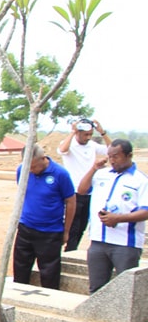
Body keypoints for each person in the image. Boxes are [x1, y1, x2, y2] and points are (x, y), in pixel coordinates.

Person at [76, 139, 148, 293]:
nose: (112, 160)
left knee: (126, 292)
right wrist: (94, 168)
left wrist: (118, 218)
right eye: (110, 156)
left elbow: (145, 211)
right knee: (96, 289)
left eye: (116, 156)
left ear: (129, 155)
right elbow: (81, 190)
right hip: (98, 241)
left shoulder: (140, 180)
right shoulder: (101, 175)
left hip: (124, 244)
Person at [13, 144, 76, 290]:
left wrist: (66, 230)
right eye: (28, 166)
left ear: (43, 159)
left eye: (34, 167)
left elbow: (71, 201)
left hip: (50, 232)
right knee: (20, 270)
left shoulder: (60, 174)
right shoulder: (22, 170)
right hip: (26, 228)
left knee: (49, 274)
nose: (31, 170)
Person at [59, 118, 112, 252]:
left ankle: (72, 251)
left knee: (82, 227)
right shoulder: (70, 144)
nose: (88, 137)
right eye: (85, 134)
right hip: (73, 193)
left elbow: (111, 150)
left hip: (90, 192)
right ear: (78, 132)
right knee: (73, 227)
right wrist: (72, 132)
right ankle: (69, 252)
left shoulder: (92, 145)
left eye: (90, 134)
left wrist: (103, 133)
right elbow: (62, 150)